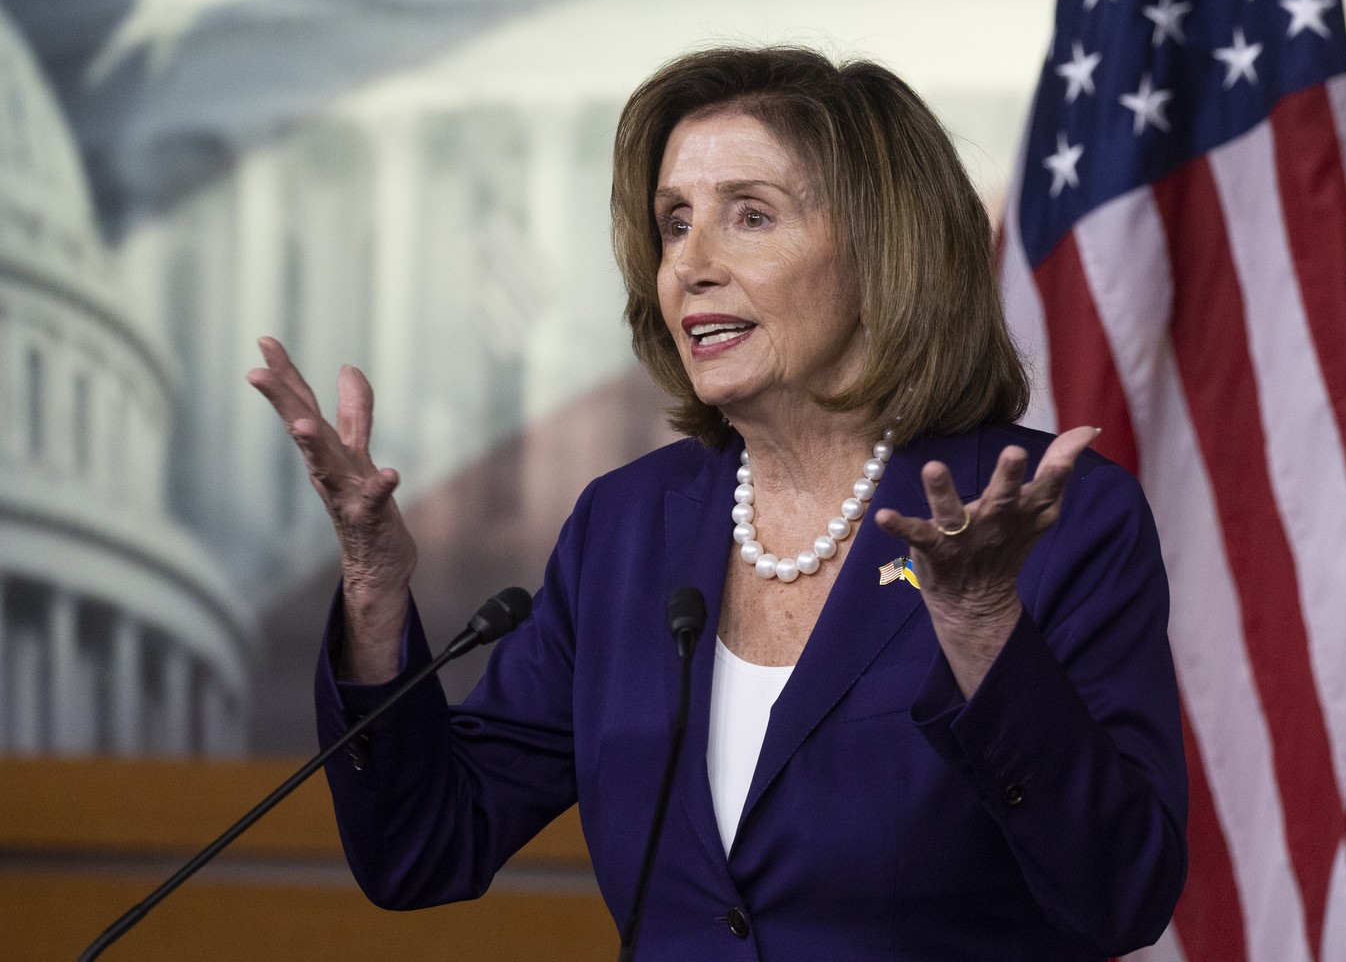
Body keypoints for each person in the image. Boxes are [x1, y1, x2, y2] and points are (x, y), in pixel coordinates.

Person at [248, 46, 1186, 961]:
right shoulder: (625, 529)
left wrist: (983, 629)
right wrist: (373, 583)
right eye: (673, 222)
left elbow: (1121, 899)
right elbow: (424, 845)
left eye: (750, 216)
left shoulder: (1055, 520)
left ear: (882, 253)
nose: (690, 263)